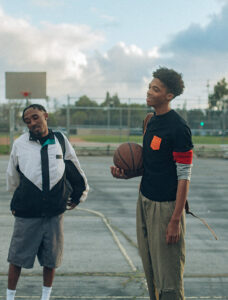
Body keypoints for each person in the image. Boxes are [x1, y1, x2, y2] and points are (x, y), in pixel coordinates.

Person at [111, 67, 193, 300]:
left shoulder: (179, 128)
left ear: (169, 96)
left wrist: (175, 220)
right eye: (150, 86)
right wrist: (127, 174)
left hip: (166, 207)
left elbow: (184, 175)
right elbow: (152, 166)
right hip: (144, 200)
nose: (149, 92)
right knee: (151, 275)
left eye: (156, 89)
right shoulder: (149, 121)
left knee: (169, 279)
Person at [6, 104, 89, 300]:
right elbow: (12, 177)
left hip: (54, 211)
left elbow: (74, 168)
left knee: (50, 259)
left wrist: (79, 195)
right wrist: (21, 197)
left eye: (35, 117)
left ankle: (46, 296)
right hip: (28, 212)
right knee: (17, 258)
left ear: (45, 116)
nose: (32, 123)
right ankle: (10, 296)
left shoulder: (60, 140)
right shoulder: (20, 144)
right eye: (27, 121)